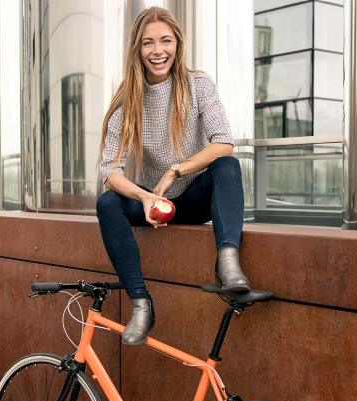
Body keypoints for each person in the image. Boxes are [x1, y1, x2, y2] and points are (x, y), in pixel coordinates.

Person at [96, 7, 248, 345]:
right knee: (107, 203)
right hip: (153, 204)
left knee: (228, 165)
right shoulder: (127, 99)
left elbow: (223, 142)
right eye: (148, 43)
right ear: (137, 49)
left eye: (165, 40)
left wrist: (175, 170)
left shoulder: (199, 85)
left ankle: (228, 264)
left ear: (177, 44)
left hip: (193, 197)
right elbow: (109, 169)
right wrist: (146, 196)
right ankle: (140, 304)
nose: (157, 50)